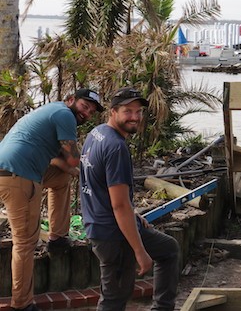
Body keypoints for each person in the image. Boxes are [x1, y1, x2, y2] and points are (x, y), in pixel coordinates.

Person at [0, 88, 104, 311]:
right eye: (85, 106)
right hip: (18, 175)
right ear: (71, 100)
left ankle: (57, 237)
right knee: (25, 242)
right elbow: (73, 159)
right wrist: (88, 170)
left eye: (92, 111)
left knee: (61, 179)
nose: (87, 113)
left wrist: (76, 172)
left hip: (10, 169)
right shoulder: (65, 115)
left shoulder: (52, 110)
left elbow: (58, 162)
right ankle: (22, 304)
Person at [80, 87, 179, 311]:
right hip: (113, 234)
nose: (134, 117)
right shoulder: (116, 147)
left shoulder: (96, 134)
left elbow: (98, 185)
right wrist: (140, 251)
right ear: (113, 112)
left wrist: (132, 214)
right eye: (127, 111)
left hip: (100, 223)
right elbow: (120, 205)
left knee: (168, 249)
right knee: (114, 300)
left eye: (138, 111)